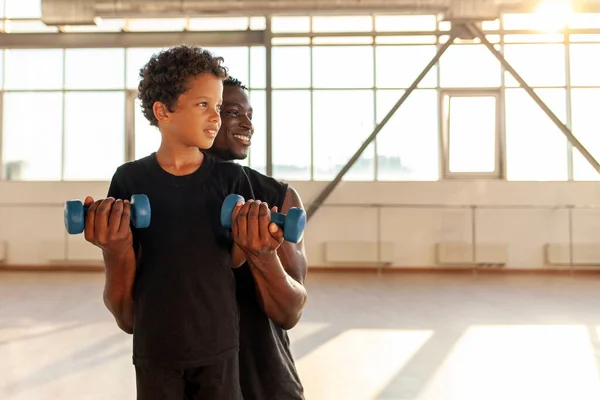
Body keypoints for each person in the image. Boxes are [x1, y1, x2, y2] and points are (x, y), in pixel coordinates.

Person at [81, 46, 271, 399]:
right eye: (203, 105)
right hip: (156, 343)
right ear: (163, 111)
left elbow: (232, 259)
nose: (216, 117)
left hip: (218, 341)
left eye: (217, 107)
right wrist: (112, 243)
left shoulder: (231, 180)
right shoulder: (129, 178)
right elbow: (127, 259)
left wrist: (251, 241)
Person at [207, 76, 308, 400]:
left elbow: (289, 311)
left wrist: (262, 255)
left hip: (263, 379)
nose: (248, 124)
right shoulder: (156, 193)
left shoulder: (278, 195)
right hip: (189, 376)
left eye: (249, 114)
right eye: (234, 112)